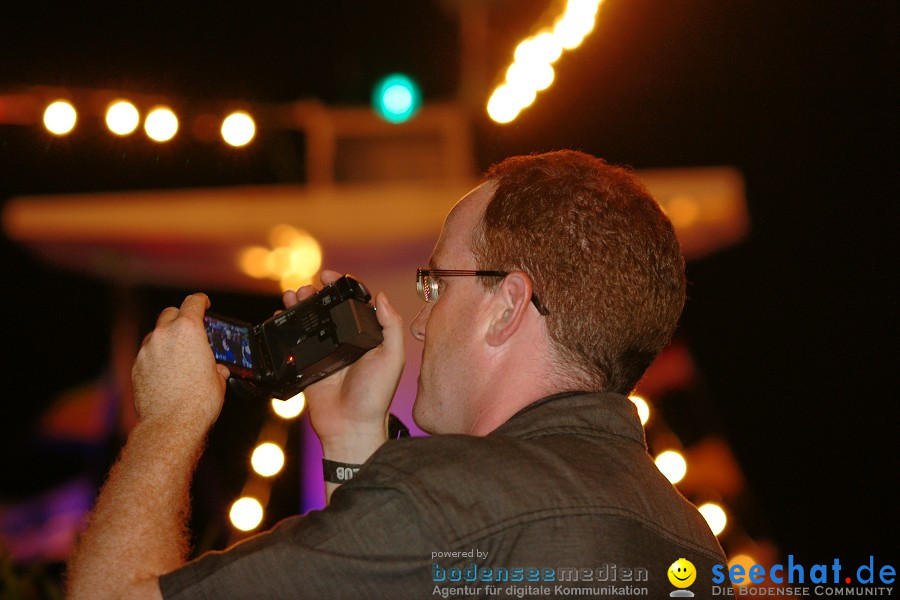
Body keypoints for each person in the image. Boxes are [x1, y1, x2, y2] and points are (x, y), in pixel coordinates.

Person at [65, 150, 727, 599]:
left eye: (435, 284)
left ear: (507, 306)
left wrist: (169, 421)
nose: (418, 321)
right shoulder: (691, 542)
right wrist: (354, 439)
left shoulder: (446, 499)